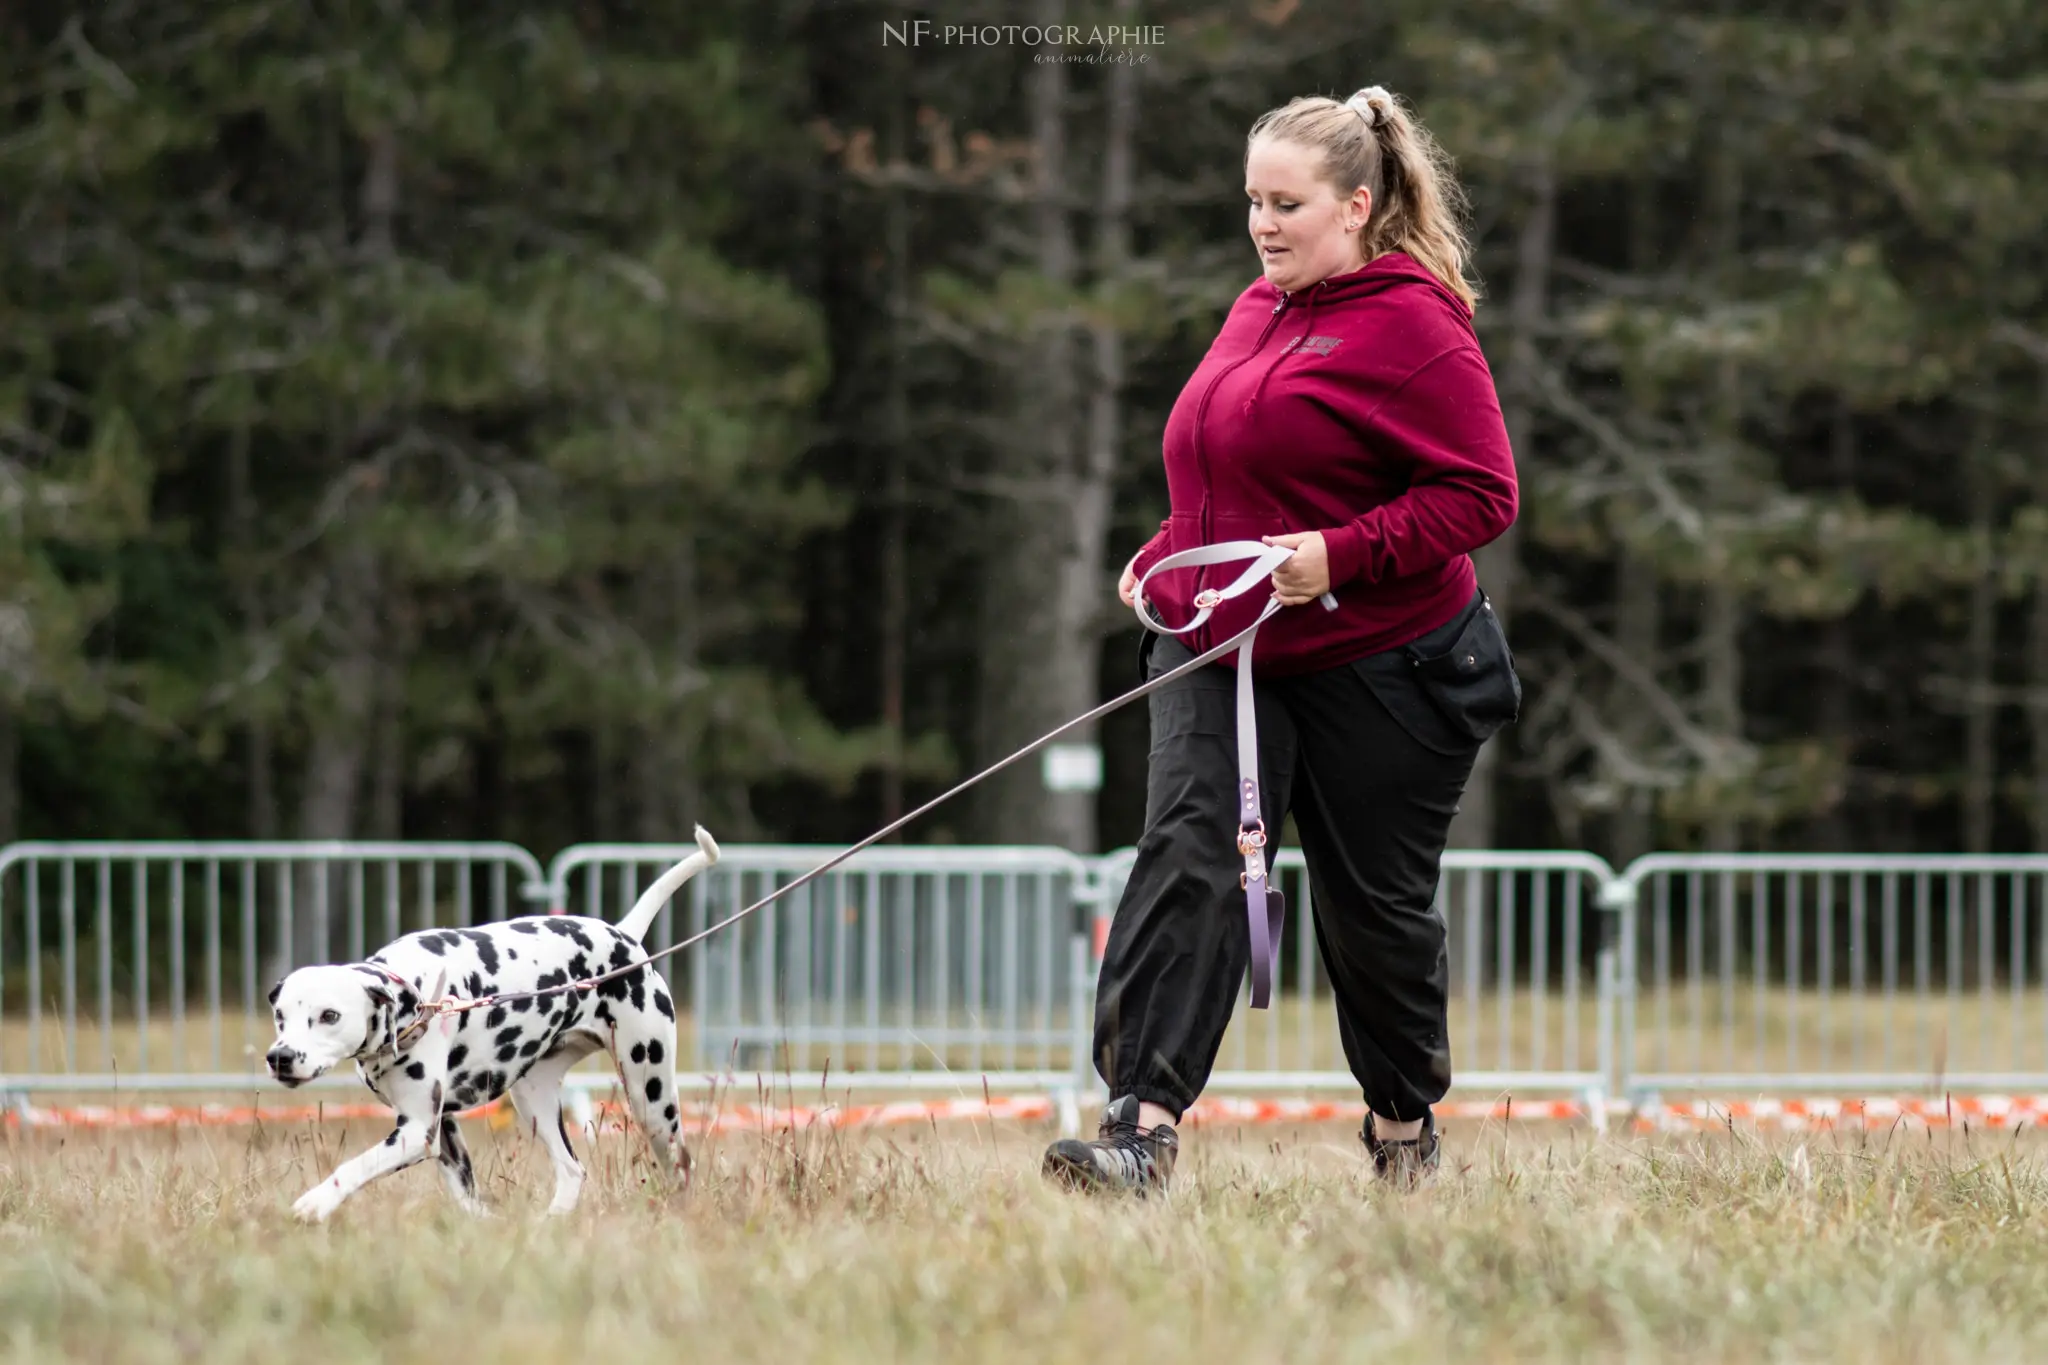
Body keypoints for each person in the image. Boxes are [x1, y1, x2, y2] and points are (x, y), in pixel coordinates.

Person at [1042, 85, 1521, 1194]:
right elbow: (1229, 463)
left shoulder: (1415, 323)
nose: (1262, 224)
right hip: (1226, 646)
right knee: (1187, 855)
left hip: (1386, 665)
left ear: (1356, 205)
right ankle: (1137, 1129)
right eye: (1251, 200)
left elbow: (1478, 495)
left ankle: (1402, 1130)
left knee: (1373, 916)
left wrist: (1337, 557)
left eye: (1286, 203)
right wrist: (1171, 546)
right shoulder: (1257, 307)